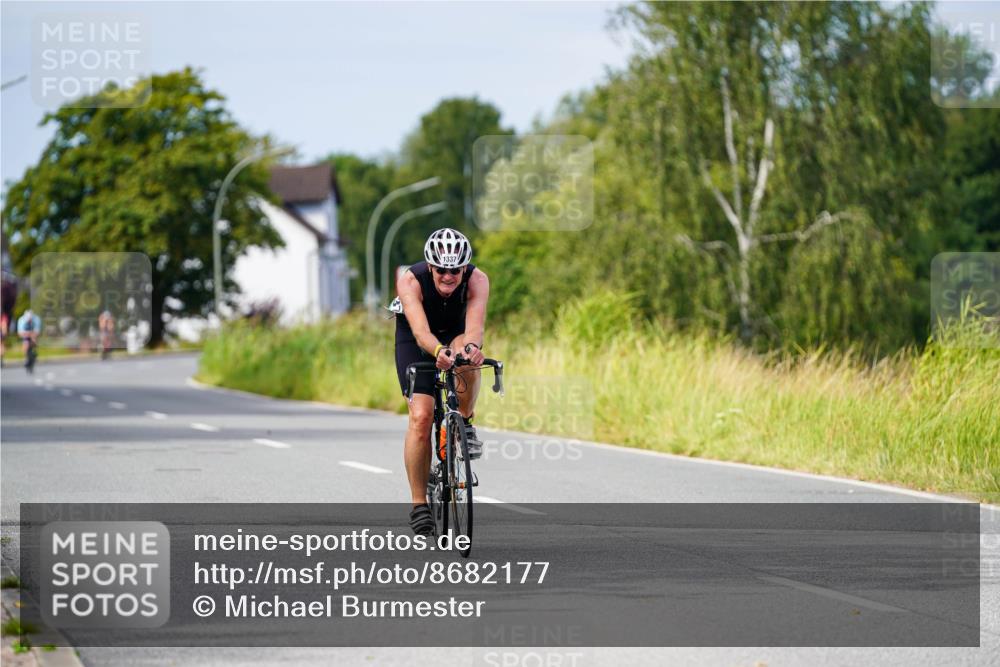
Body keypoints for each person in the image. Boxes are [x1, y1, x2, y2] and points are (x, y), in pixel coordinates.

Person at [393, 228, 490, 536]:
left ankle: (464, 423)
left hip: (457, 332)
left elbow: (474, 328)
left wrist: (471, 350)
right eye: (442, 270)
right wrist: (436, 351)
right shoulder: (410, 280)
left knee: (468, 354)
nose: (449, 276)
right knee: (421, 417)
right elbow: (421, 332)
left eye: (456, 270)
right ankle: (419, 504)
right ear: (431, 267)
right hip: (417, 337)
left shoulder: (478, 280)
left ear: (465, 268)